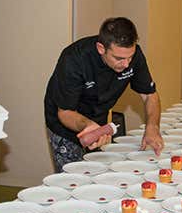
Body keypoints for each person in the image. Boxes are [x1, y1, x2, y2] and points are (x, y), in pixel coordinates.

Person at [43, 17, 163, 172]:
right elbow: (65, 112)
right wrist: (88, 125)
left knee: (99, 173)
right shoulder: (74, 59)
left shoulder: (133, 56)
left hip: (97, 121)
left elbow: (149, 95)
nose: (126, 64)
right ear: (101, 48)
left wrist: (152, 126)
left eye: (130, 57)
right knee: (74, 178)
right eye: (119, 58)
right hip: (66, 122)